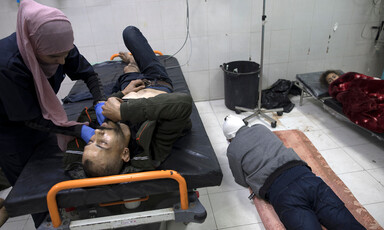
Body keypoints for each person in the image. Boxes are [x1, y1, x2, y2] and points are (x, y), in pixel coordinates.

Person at [0, 0, 106, 226]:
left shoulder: (60, 46)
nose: (61, 62)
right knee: (35, 196)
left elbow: (89, 74)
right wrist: (78, 129)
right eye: (53, 58)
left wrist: (101, 101)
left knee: (53, 180)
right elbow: (29, 117)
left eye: (65, 55)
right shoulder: (8, 65)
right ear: (33, 48)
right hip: (10, 131)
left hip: (41, 120)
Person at [64, 26, 193, 178]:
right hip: (158, 80)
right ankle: (132, 62)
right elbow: (183, 103)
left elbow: (74, 159)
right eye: (102, 143)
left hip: (129, 86)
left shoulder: (107, 125)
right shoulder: (150, 146)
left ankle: (131, 64)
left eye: (91, 141)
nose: (97, 133)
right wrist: (122, 111)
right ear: (125, 154)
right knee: (130, 35)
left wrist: (123, 93)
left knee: (129, 51)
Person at [222, 115, 364, 230]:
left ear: (229, 138)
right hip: (306, 177)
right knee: (346, 223)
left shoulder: (232, 149)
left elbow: (240, 180)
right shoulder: (260, 128)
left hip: (281, 192)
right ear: (244, 124)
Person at [320, 70, 384, 133]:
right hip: (362, 97)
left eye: (334, 77)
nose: (333, 80)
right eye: (330, 80)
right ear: (329, 84)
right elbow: (344, 97)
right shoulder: (335, 89)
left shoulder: (349, 76)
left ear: (338, 76)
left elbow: (364, 79)